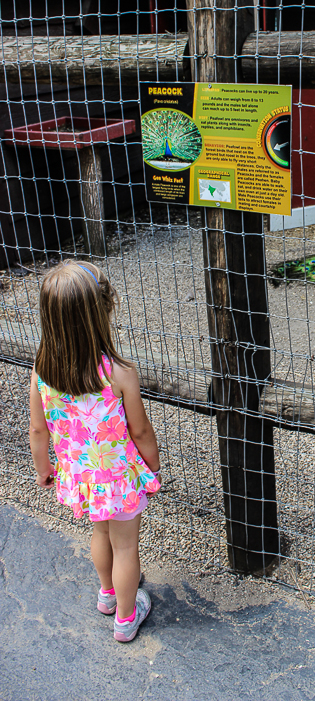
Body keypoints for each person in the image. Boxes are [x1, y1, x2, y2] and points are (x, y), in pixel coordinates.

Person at [29, 260, 162, 643]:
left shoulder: (41, 371)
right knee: (126, 548)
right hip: (118, 480)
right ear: (99, 314)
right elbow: (140, 429)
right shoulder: (119, 373)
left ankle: (106, 595)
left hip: (80, 477)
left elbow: (38, 428)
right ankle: (126, 615)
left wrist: (43, 468)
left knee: (98, 534)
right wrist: (151, 464)